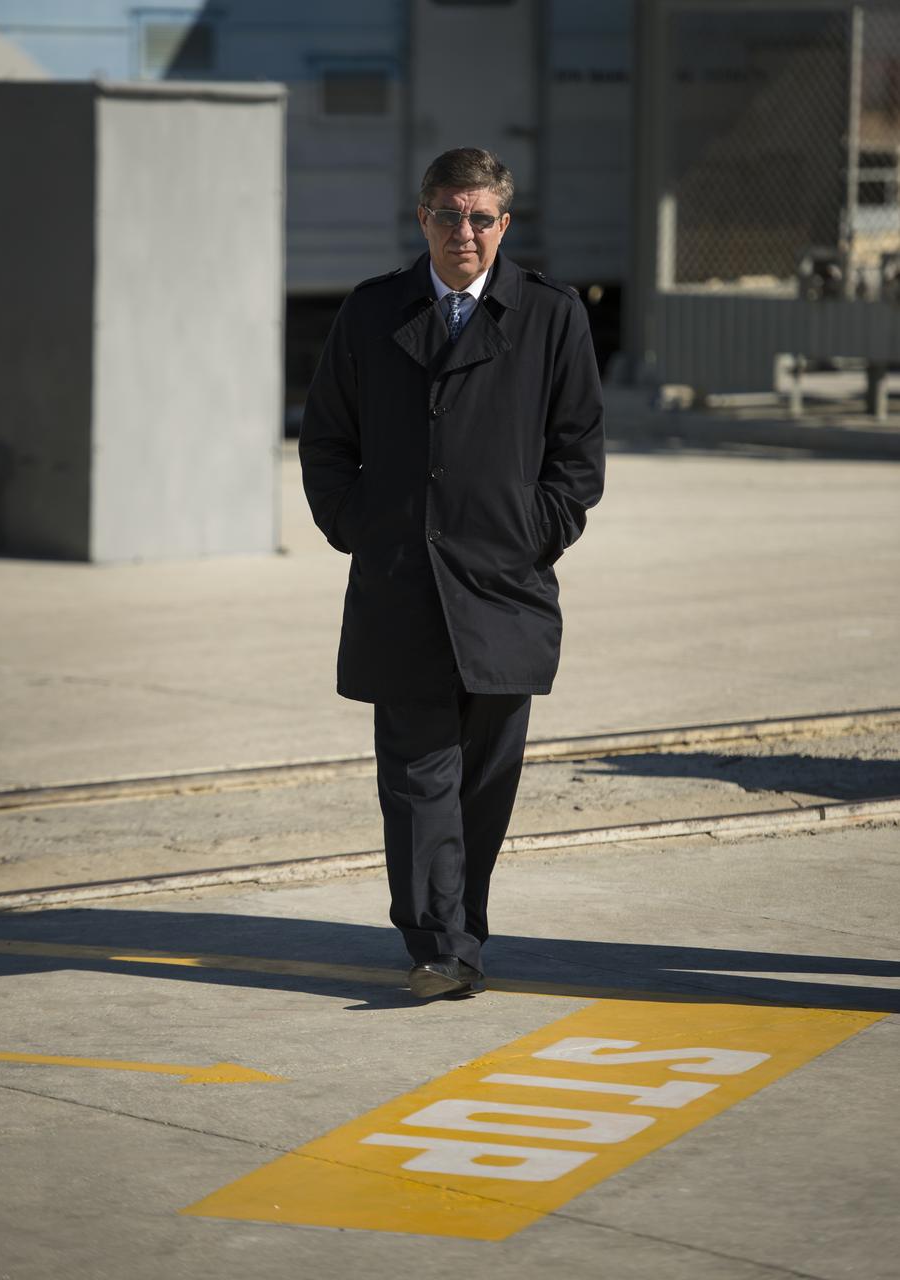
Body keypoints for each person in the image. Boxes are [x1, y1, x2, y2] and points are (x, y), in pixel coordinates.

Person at [299, 147, 605, 999]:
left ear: (503, 224)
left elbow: (578, 459)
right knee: (417, 778)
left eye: (479, 217)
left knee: (483, 786)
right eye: (446, 214)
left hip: (504, 590)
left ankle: (459, 934)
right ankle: (440, 946)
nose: (462, 232)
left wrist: (528, 534)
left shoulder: (551, 316)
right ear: (422, 217)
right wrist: (365, 530)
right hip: (401, 586)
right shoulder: (370, 313)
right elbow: (326, 441)